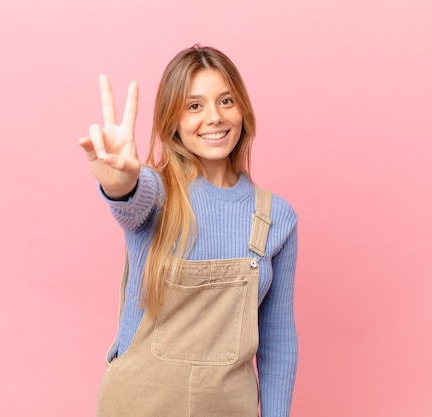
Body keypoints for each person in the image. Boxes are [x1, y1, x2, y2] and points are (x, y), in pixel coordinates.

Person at [78, 45, 298, 417]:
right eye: (194, 106)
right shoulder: (156, 191)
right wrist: (120, 184)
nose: (214, 117)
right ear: (173, 121)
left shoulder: (277, 216)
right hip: (138, 404)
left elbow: (277, 340)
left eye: (226, 101)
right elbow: (131, 202)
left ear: (242, 109)